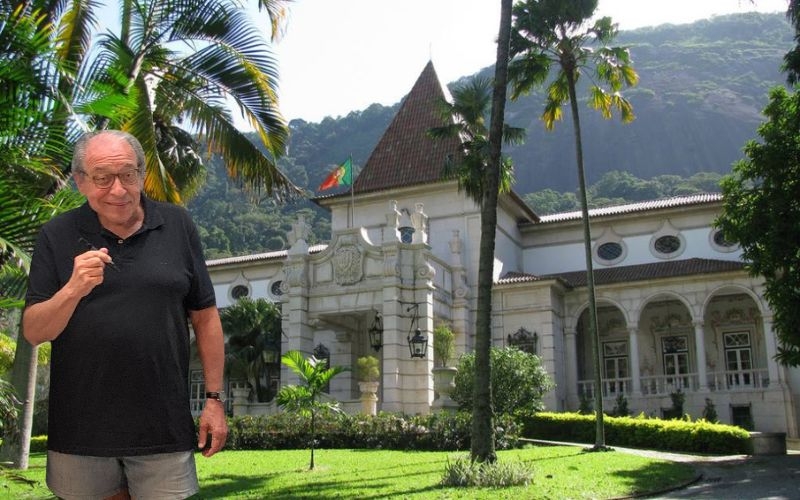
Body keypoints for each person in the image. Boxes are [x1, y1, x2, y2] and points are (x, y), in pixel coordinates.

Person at [23, 130, 228, 500]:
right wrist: (73, 289)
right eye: (102, 178)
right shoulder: (56, 234)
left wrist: (214, 399)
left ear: (141, 174)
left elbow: (205, 316)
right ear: (81, 182)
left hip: (164, 428)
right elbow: (35, 331)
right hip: (81, 433)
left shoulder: (177, 224)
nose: (118, 190)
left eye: (127, 175)